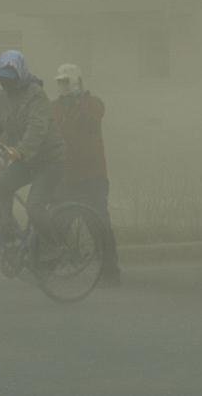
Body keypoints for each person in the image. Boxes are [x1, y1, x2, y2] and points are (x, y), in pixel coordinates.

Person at [0, 51, 65, 244]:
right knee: (2, 186)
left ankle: (55, 247)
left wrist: (21, 150)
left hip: (50, 161)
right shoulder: (0, 100)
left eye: (9, 78)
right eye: (2, 78)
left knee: (34, 207)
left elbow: (37, 128)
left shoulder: (36, 95)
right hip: (26, 161)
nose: (5, 83)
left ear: (21, 75)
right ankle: (10, 235)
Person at [52, 64, 121, 287]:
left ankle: (110, 271)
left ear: (76, 82)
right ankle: (49, 266)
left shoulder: (92, 104)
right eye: (60, 82)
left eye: (66, 82)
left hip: (93, 176)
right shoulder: (55, 108)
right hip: (67, 176)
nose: (62, 86)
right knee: (59, 222)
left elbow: (93, 117)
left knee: (99, 223)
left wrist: (78, 101)